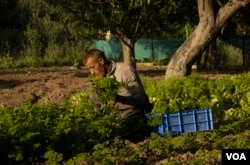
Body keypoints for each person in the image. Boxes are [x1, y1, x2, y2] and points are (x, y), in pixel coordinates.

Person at [83, 48, 153, 141]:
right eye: (89, 69)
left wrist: (121, 99)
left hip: (133, 112)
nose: (92, 72)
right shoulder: (99, 79)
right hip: (114, 116)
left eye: (92, 67)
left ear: (101, 61)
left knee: (125, 133)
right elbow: (99, 108)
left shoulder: (124, 71)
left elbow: (141, 100)